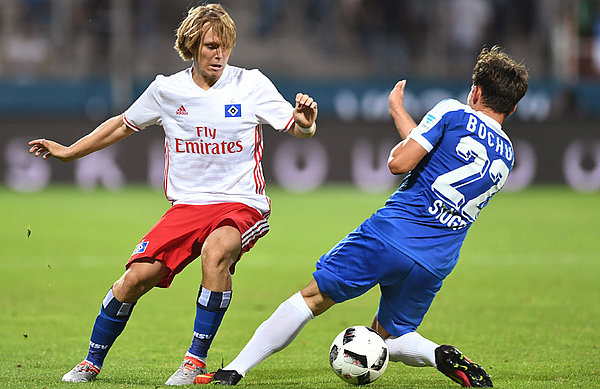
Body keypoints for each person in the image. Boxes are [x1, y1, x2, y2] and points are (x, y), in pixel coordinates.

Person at [195, 46, 528, 387]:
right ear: (513, 106)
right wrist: (398, 111)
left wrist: (399, 142)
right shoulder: (507, 154)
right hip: (436, 259)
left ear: (475, 91)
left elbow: (401, 163)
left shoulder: (452, 112)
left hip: (391, 235)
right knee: (391, 338)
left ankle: (233, 370)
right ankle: (437, 354)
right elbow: (435, 157)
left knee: (310, 299)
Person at [28, 3, 318, 386]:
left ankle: (194, 362)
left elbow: (295, 127)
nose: (219, 55)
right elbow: (121, 125)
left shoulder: (251, 84)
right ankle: (91, 363)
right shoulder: (167, 90)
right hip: (186, 208)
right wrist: (69, 151)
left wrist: (306, 124)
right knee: (133, 279)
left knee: (216, 252)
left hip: (241, 204)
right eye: (211, 46)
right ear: (192, 45)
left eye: (225, 47)